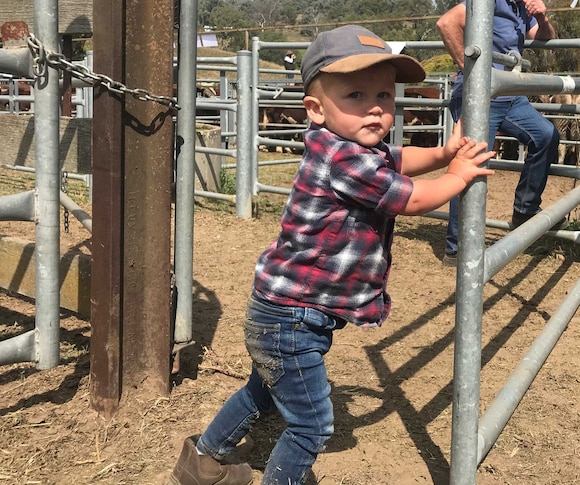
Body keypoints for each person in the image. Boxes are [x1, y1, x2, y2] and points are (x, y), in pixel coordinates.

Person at [168, 25, 495, 485]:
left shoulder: (355, 148)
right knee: (311, 424)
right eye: (357, 94)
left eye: (384, 93)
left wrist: (443, 153)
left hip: (283, 312)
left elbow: (400, 158)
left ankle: (203, 460)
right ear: (316, 109)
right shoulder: (345, 160)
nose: (376, 106)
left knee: (262, 391)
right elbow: (413, 199)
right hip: (291, 319)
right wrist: (458, 177)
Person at [436, 0, 563, 266]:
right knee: (472, 162)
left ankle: (525, 210)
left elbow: (545, 37)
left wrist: (542, 17)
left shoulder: (521, 8)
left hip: (510, 94)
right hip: (479, 93)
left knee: (546, 136)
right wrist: (470, 72)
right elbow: (446, 22)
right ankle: (458, 246)